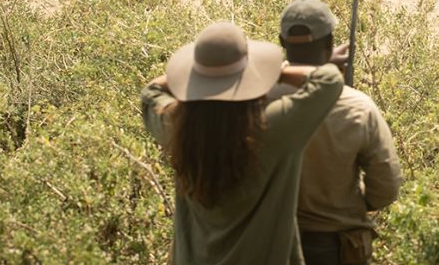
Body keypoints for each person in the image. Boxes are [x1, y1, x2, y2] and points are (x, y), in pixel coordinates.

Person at [141, 21, 345, 264]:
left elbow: (151, 92)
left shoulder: (176, 125)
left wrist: (198, 76)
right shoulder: (272, 127)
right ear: (248, 77)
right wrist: (277, 72)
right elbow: (329, 80)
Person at [269, 0, 403, 265]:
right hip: (337, 246)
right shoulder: (358, 107)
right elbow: (386, 188)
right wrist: (349, 201)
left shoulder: (255, 99)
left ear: (282, 42)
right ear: (330, 43)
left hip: (272, 242)